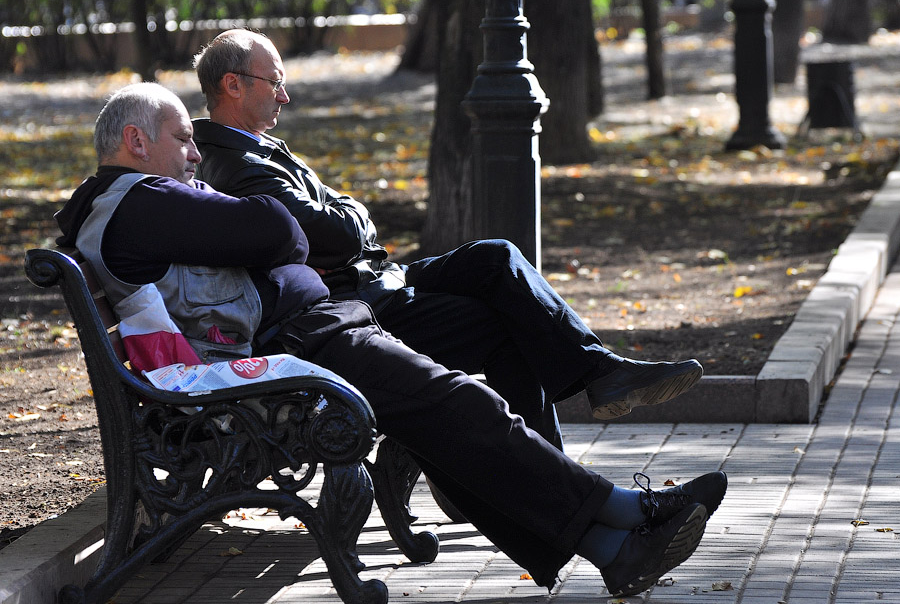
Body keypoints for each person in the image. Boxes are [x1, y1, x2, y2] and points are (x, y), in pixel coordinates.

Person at [54, 82, 728, 597]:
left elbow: (278, 237)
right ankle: (626, 517)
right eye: (182, 139)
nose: (196, 154)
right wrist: (267, 238)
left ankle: (615, 546)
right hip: (298, 350)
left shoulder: (135, 202)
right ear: (137, 142)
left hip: (308, 335)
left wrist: (268, 241)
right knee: (461, 405)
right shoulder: (142, 202)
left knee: (452, 413)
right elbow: (281, 231)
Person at [190, 29, 704, 449]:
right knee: (506, 318)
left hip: (377, 279)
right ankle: (537, 468)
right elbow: (334, 229)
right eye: (273, 82)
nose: (285, 94)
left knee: (496, 258)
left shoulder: (257, 149)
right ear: (233, 85)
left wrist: (349, 217)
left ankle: (600, 375)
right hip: (353, 308)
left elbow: (347, 216)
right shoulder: (235, 163)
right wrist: (348, 218)